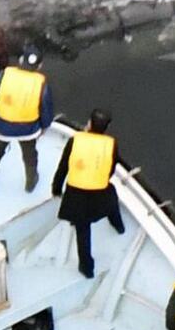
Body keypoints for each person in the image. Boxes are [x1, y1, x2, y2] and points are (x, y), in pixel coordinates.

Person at [49, 109, 125, 279]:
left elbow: (63, 168)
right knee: (112, 198)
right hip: (100, 194)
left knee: (83, 231)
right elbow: (111, 168)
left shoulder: (75, 140)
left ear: (89, 123)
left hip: (76, 197)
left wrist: (56, 188)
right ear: (107, 128)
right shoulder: (111, 144)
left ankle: (87, 268)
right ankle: (119, 226)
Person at [0, 49, 53, 191]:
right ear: (39, 66)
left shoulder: (3, 75)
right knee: (30, 153)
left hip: (2, 125)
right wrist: (45, 126)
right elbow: (45, 108)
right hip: (28, 129)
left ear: (20, 61)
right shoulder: (42, 84)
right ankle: (31, 182)